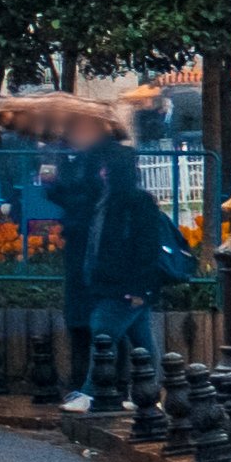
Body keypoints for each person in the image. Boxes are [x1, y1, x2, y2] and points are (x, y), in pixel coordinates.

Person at [54, 108, 185, 411]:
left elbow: (144, 249)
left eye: (107, 169)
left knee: (103, 331)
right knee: (142, 342)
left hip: (124, 286)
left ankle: (89, 392)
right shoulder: (107, 201)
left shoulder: (136, 204)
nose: (101, 172)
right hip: (114, 284)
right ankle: (149, 394)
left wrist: (139, 288)